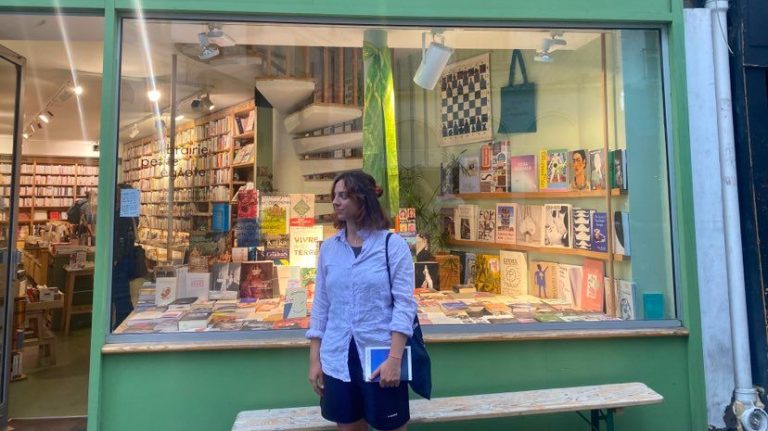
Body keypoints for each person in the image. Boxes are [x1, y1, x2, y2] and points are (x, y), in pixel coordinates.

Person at [307, 171, 417, 431]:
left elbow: (404, 305)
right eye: (334, 195)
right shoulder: (329, 249)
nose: (335, 202)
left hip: (381, 358)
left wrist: (394, 359)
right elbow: (321, 304)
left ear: (363, 199)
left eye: (343, 195)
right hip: (336, 358)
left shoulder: (392, 245)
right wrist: (315, 360)